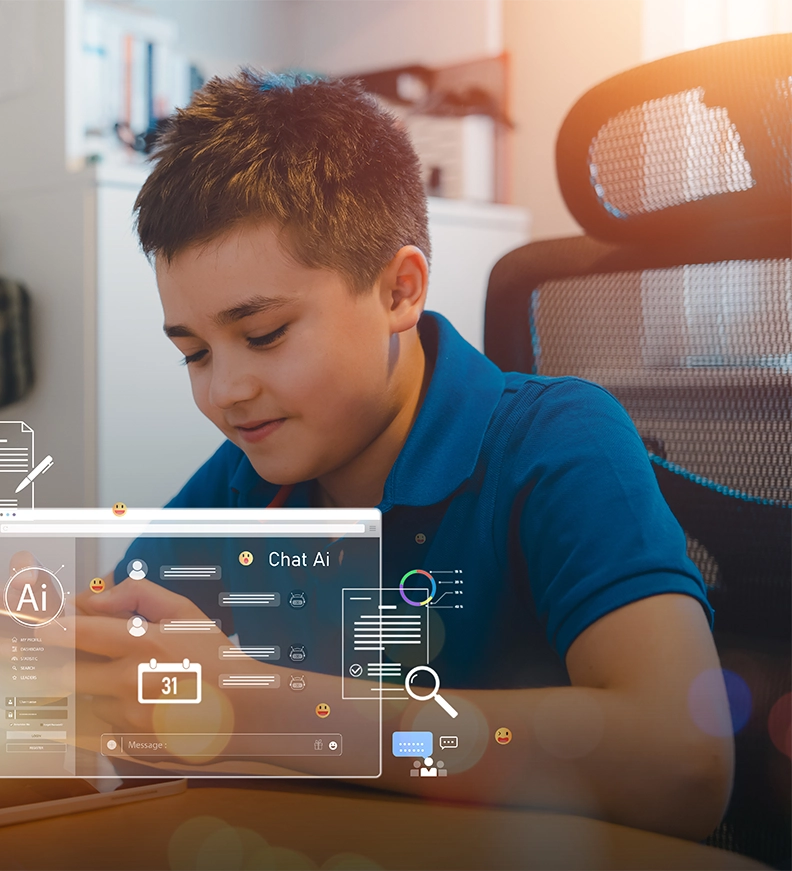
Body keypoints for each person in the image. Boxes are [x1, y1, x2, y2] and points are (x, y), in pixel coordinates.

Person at [74, 71, 733, 840]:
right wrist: (62, 653)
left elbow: (683, 759)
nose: (225, 390)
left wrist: (262, 705)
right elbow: (126, 673)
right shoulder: (251, 479)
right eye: (193, 353)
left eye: (263, 335)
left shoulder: (559, 440)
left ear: (399, 290)